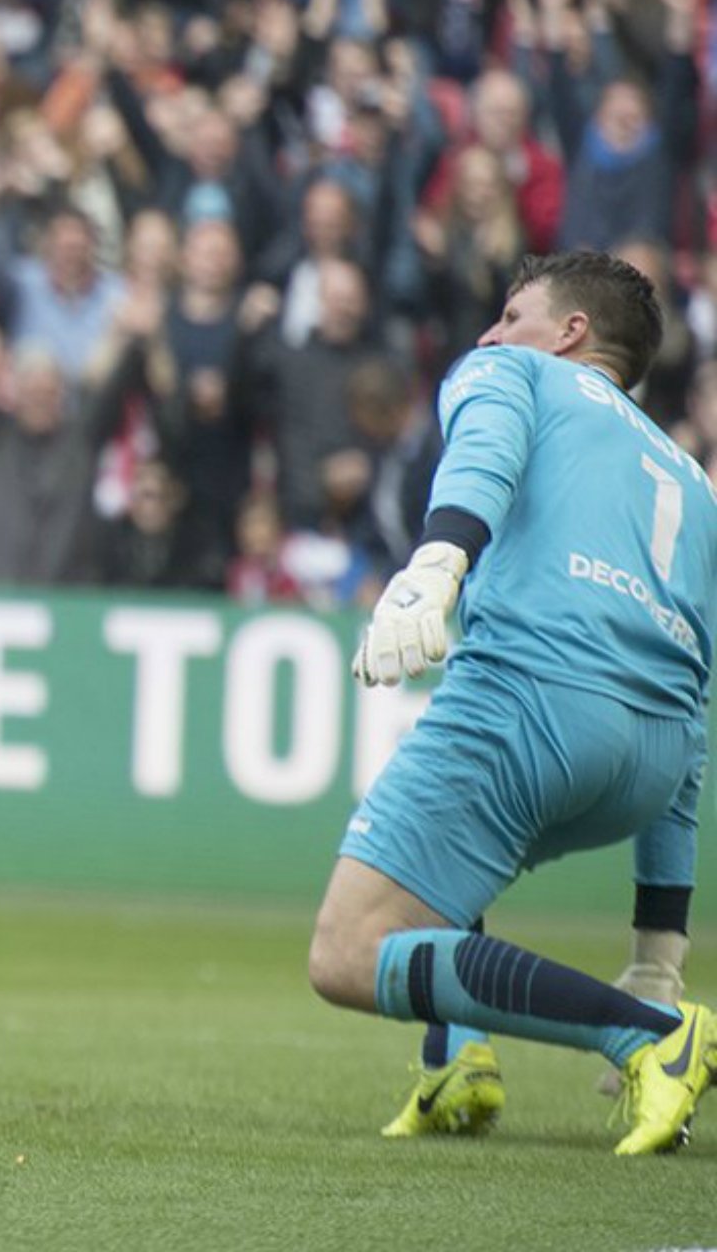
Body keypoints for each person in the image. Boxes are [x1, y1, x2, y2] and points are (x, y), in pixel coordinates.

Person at [309, 252, 715, 1155]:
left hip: (533, 700)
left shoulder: (510, 372)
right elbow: (694, 707)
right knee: (432, 862)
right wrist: (659, 954)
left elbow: (484, 454)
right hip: (647, 762)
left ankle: (652, 1035)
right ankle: (459, 1056)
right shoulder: (694, 483)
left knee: (346, 951)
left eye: (512, 314)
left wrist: (436, 565)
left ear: (569, 333)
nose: (491, 334)